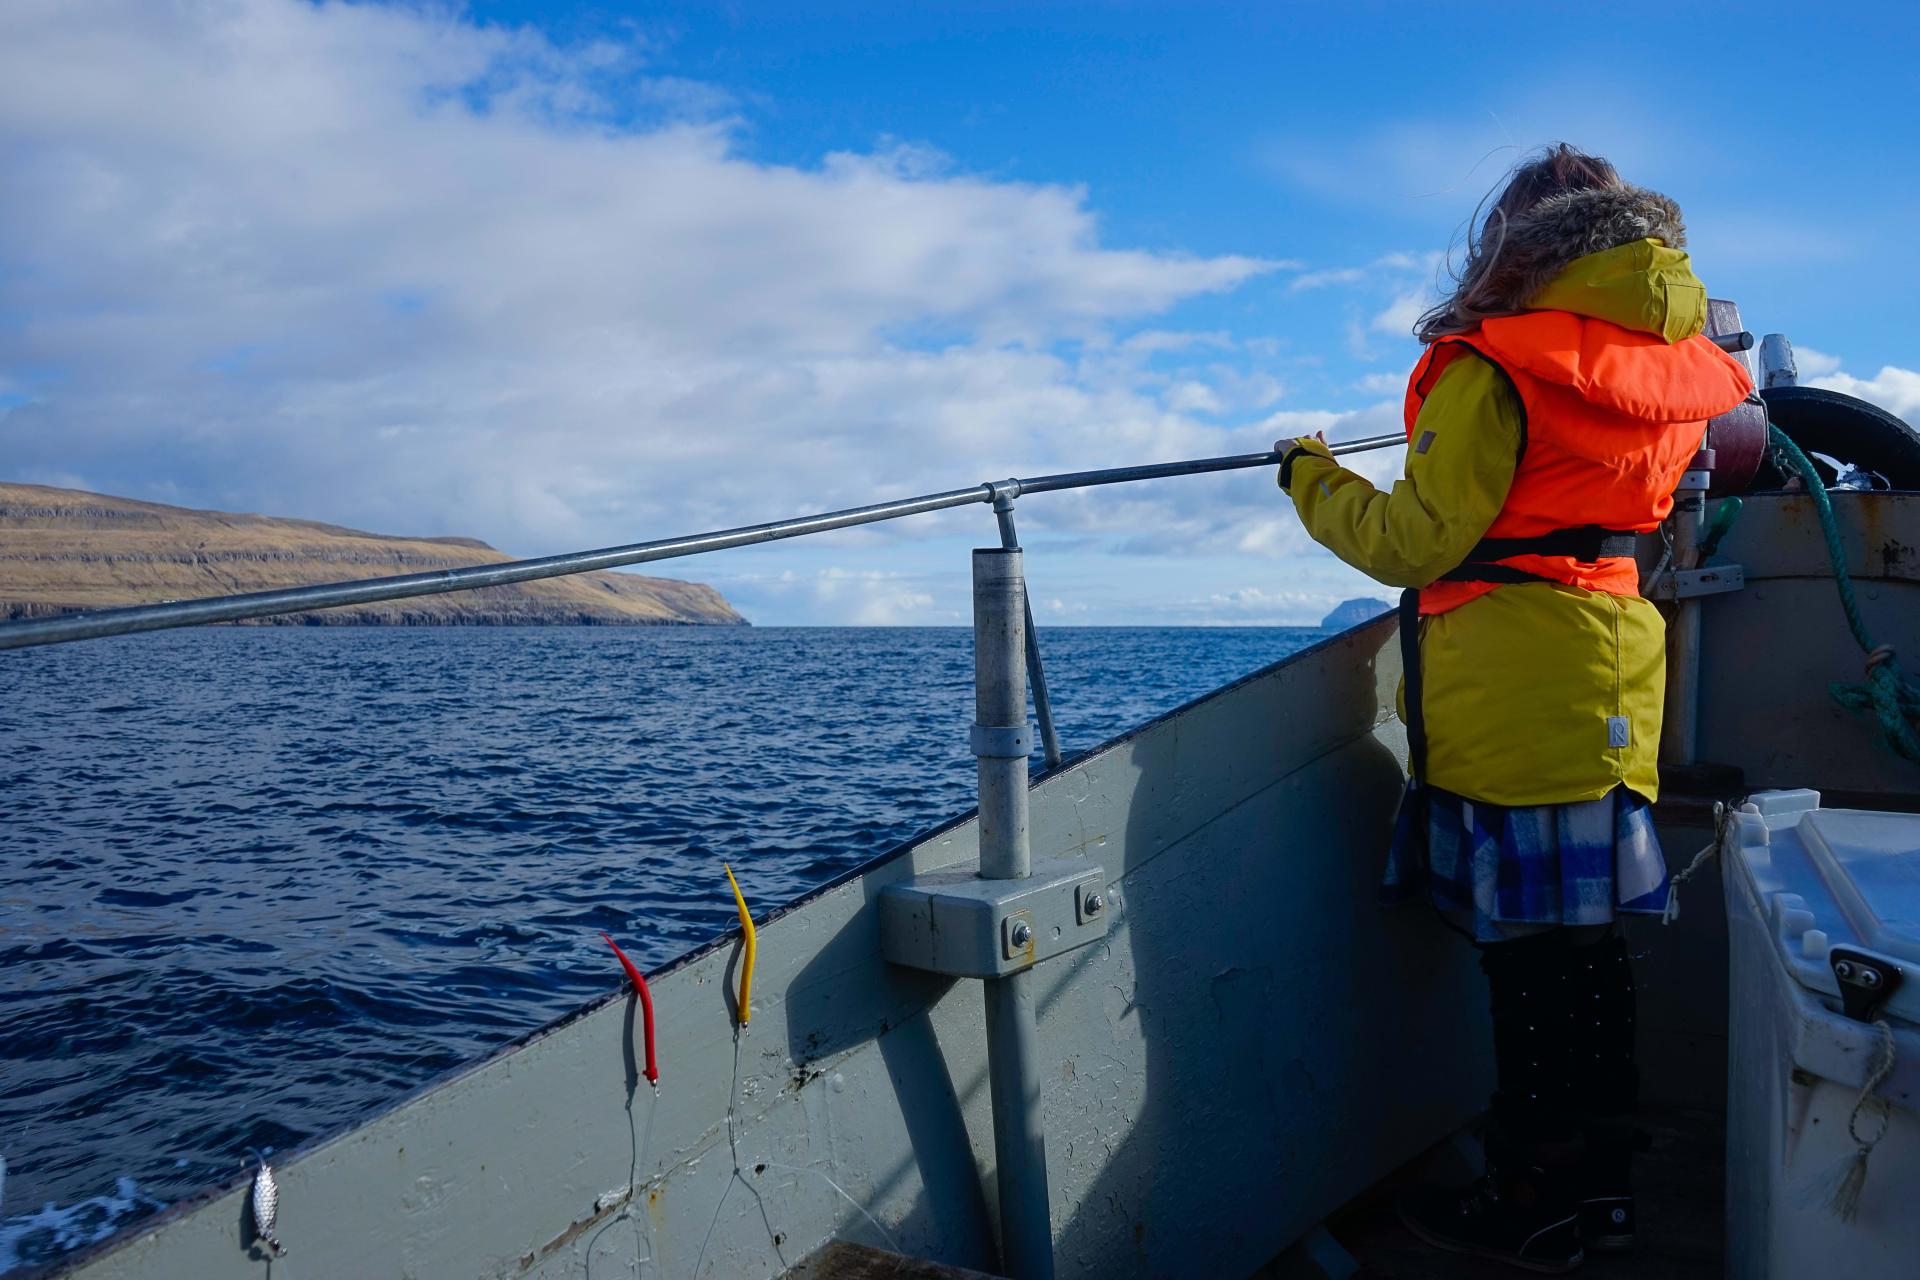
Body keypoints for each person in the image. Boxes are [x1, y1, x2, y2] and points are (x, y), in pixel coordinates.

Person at [1275, 144, 1752, 1273]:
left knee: (1530, 968)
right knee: (1586, 956)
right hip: (1617, 666)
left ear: (1518, 243)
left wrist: (1307, 472)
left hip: (1513, 681)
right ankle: (1609, 1192)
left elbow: (1417, 539)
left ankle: (1534, 1193)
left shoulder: (1491, 366)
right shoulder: (1674, 362)